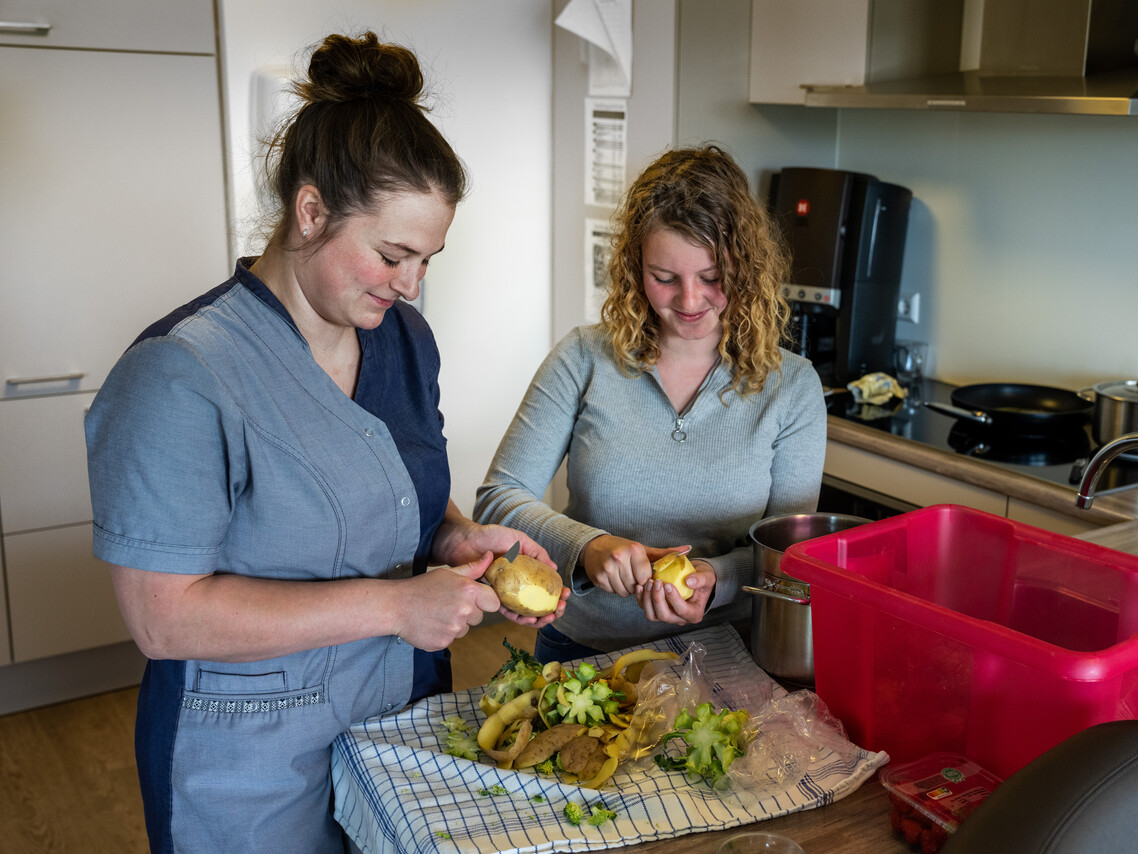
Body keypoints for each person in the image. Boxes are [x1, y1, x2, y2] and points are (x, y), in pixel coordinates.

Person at [84, 31, 566, 854]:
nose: (411, 285)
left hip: (398, 730)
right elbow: (164, 620)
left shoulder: (404, 340)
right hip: (250, 765)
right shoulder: (180, 375)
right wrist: (395, 605)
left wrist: (455, 536)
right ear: (310, 211)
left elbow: (396, 488)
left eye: (428, 260)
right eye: (393, 254)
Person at [474, 144, 827, 663]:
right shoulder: (583, 358)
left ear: (746, 268)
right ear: (634, 269)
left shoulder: (791, 387)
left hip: (727, 656)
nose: (688, 301)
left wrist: (718, 579)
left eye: (712, 277)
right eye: (665, 278)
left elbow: (790, 554)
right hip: (581, 651)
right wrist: (588, 548)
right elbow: (499, 497)